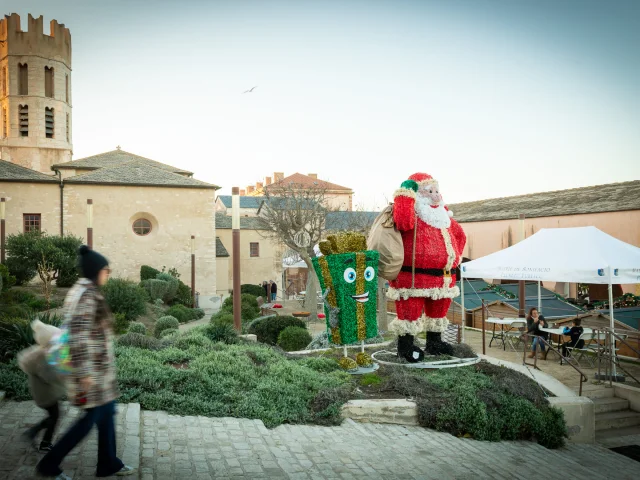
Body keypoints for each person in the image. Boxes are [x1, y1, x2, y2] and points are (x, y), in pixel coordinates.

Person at [37, 246, 135, 479]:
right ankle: (49, 465)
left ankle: (109, 463)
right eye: (106, 269)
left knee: (106, 414)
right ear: (96, 271)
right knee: (88, 421)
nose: (108, 273)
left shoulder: (83, 290)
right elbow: (78, 337)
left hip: (98, 372)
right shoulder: (87, 296)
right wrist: (85, 374)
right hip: (91, 373)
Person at [17, 320, 66, 452]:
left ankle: (35, 433)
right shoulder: (43, 357)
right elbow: (49, 377)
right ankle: (43, 441)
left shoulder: (40, 352)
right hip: (45, 394)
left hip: (42, 392)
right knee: (54, 416)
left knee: (54, 415)